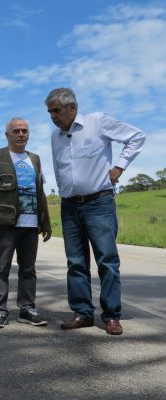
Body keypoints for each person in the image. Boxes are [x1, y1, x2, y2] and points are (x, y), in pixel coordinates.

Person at [45, 88, 145, 335]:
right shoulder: (55, 136)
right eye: (50, 112)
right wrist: (64, 191)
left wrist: (119, 167)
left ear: (72, 108)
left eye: (56, 111)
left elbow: (137, 136)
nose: (53, 117)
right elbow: (59, 168)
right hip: (69, 206)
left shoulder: (97, 122)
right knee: (75, 262)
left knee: (107, 260)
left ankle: (111, 316)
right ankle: (82, 313)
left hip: (98, 203)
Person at [0, 117, 52, 329]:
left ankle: (27, 308)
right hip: (5, 224)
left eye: (24, 131)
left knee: (28, 269)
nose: (21, 134)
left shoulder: (35, 159)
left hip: (31, 225)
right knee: (1, 268)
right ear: (7, 135)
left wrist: (46, 221)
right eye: (16, 131)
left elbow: (41, 192)